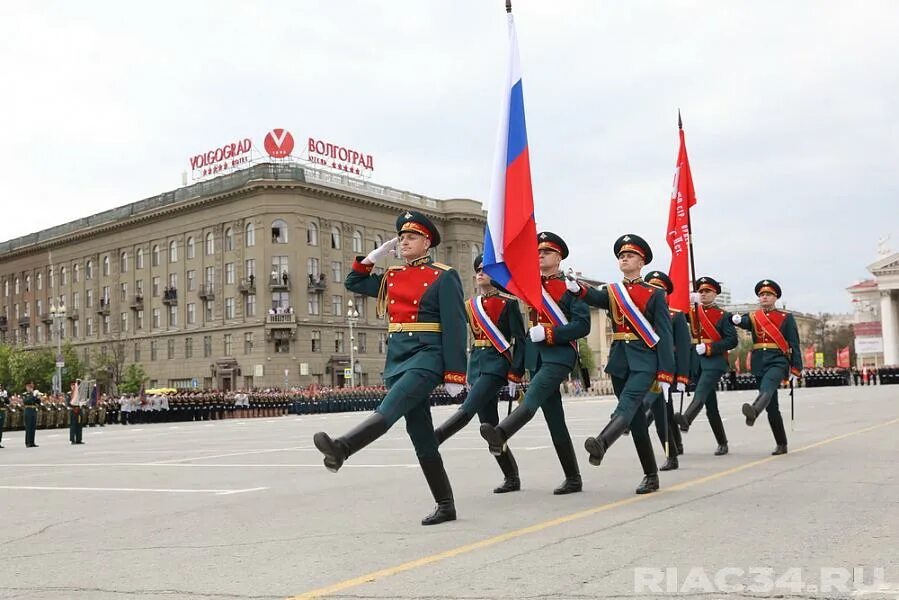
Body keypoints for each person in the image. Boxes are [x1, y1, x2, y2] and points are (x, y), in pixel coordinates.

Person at [313, 210, 467, 525]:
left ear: (427, 241)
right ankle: (446, 504)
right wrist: (372, 257)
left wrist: (455, 373)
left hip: (428, 355)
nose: (404, 241)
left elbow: (455, 325)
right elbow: (354, 281)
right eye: (402, 237)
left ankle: (343, 448)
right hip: (398, 358)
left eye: (411, 237)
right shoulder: (393, 276)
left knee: (391, 406)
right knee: (421, 436)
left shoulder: (443, 275)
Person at [479, 232, 591, 495]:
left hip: (560, 355)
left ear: (559, 257)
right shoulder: (529, 283)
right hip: (537, 356)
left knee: (534, 394)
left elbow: (582, 325)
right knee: (555, 419)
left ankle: (502, 432)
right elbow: (499, 278)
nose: (540, 256)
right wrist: (500, 248)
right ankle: (573, 478)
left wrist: (551, 333)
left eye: (547, 252)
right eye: (538, 252)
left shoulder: (572, 286)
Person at [573, 234, 674, 494]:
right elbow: (594, 298)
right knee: (637, 421)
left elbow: (664, 335)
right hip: (619, 361)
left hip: (644, 360)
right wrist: (578, 288)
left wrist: (665, 373)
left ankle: (602, 443)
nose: (624, 258)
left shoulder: (655, 294)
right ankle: (651, 475)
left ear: (641, 262)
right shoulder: (612, 291)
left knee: (627, 404)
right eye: (621, 256)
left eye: (629, 255)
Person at [433, 253, 526, 493]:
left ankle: (437, 437)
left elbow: (521, 340)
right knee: (489, 426)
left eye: (484, 269)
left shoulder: (509, 303)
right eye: (477, 270)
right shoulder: (470, 306)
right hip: (477, 366)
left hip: (497, 366)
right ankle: (512, 476)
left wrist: (516, 372)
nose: (480, 273)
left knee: (469, 407)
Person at [732, 280, 802, 455]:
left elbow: (794, 343)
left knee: (768, 387)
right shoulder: (754, 317)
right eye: (761, 295)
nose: (764, 297)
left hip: (778, 360)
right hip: (759, 362)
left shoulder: (786, 318)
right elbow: (743, 322)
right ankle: (781, 443)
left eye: (768, 294)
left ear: (775, 297)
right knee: (772, 406)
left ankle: (754, 410)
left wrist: (796, 367)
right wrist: (736, 319)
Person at [673, 276, 738, 456]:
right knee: (711, 406)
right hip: (697, 361)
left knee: (700, 391)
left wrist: (710, 347)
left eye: (707, 291)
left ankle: (687, 418)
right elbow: (675, 314)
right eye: (701, 291)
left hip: (714, 360)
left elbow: (732, 340)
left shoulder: (724, 316)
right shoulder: (694, 312)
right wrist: (687, 303)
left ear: (715, 293)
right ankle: (722, 442)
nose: (703, 294)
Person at [641, 271, 691, 471]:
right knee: (664, 413)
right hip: (643, 365)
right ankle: (675, 447)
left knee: (656, 409)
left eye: (658, 288)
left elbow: (683, 346)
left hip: (664, 369)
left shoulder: (675, 315)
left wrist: (682, 377)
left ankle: (671, 455)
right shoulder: (640, 313)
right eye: (650, 286)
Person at [22, 381, 41, 448]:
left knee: (33, 427)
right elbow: (27, 401)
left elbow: (38, 403)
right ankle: (28, 442)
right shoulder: (25, 394)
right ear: (26, 387)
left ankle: (32, 442)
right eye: (29, 387)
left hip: (33, 410)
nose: (30, 388)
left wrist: (38, 397)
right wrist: (33, 395)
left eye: (31, 387)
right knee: (28, 427)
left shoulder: (33, 394)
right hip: (28, 411)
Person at [69, 380, 86, 445]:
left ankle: (79, 439)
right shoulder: (70, 394)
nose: (74, 387)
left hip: (79, 411)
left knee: (79, 425)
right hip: (73, 411)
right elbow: (68, 403)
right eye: (73, 386)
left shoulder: (79, 394)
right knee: (73, 426)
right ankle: (72, 440)